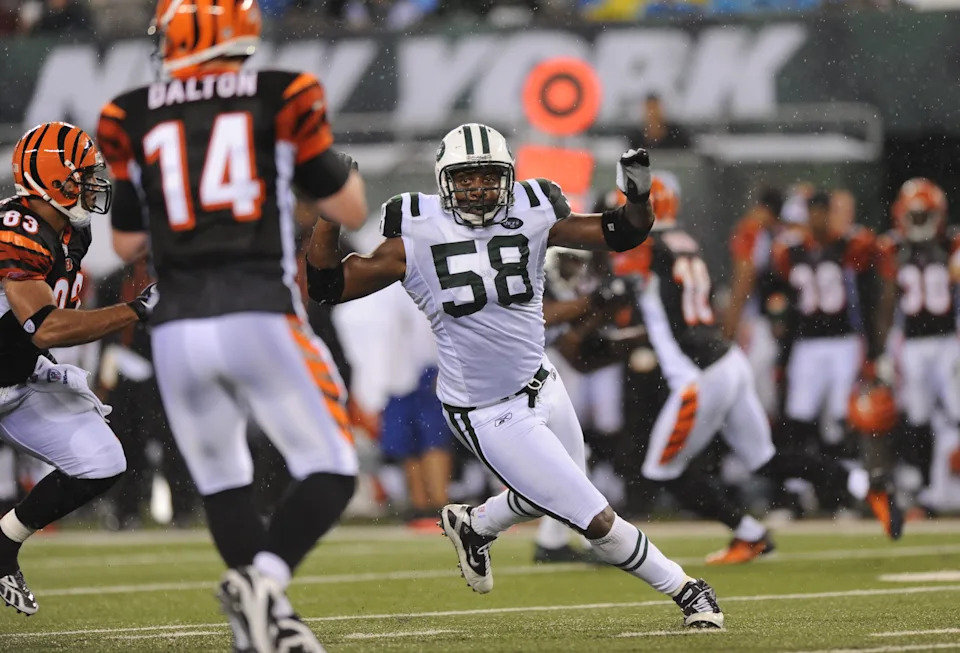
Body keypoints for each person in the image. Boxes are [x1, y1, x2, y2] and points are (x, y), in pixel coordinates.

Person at [306, 122, 724, 629]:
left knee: (560, 488)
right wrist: (329, 217)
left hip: (541, 380)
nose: (479, 189)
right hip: (486, 410)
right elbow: (328, 285)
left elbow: (622, 231)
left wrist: (637, 194)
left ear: (508, 177)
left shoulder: (533, 209)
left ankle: (476, 524)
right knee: (591, 515)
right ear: (444, 182)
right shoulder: (413, 231)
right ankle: (687, 590)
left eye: (488, 177)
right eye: (466, 179)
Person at [95, 1, 367, 651]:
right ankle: (266, 582)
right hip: (256, 309)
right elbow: (348, 204)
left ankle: (269, 630)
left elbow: (128, 238)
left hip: (178, 326)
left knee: (223, 480)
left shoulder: (130, 111)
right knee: (332, 467)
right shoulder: (281, 93)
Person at [611, 178, 901, 565]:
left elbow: (624, 292)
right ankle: (866, 483)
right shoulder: (683, 244)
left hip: (701, 377)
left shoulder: (646, 251)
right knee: (765, 459)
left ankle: (749, 534)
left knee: (662, 471)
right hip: (728, 361)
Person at [0, 121, 160, 615]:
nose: (94, 182)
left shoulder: (72, 231)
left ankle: (4, 543)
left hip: (16, 379)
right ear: (54, 179)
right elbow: (44, 327)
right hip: (19, 363)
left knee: (101, 460)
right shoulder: (17, 228)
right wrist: (137, 309)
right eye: (84, 174)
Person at [771, 191, 892, 518]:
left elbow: (870, 293)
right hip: (807, 344)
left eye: (822, 212)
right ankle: (795, 495)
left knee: (841, 421)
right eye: (813, 213)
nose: (817, 219)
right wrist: (783, 354)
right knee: (798, 419)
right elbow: (785, 303)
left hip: (843, 341)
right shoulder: (791, 250)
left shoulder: (852, 246)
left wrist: (873, 349)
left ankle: (843, 495)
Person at [875, 179, 960, 515]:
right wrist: (883, 350)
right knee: (918, 417)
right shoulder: (893, 248)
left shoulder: (953, 244)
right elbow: (886, 303)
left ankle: (943, 488)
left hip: (947, 341)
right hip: (911, 344)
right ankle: (926, 489)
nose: (921, 224)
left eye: (926, 216)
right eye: (916, 216)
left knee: (955, 414)